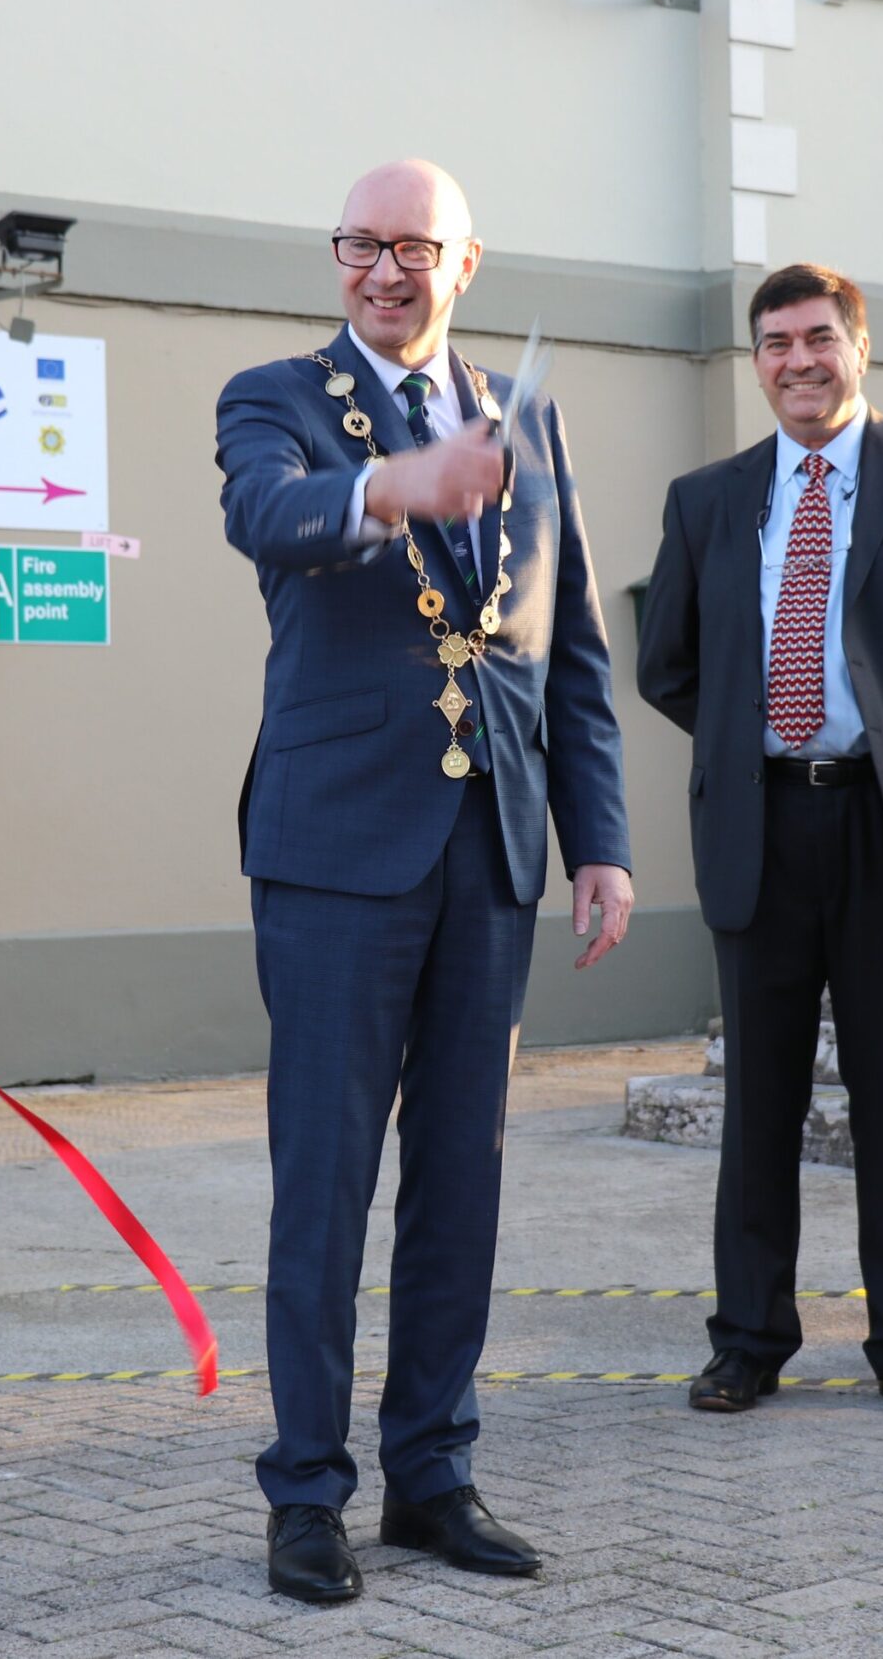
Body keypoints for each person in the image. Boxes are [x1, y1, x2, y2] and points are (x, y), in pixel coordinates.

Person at [215, 160, 635, 1604]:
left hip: (493, 847)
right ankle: (306, 1493)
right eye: (362, 244)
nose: (386, 270)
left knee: (463, 1175)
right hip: (337, 850)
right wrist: (399, 483)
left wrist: (603, 839)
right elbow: (270, 520)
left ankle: (433, 1473)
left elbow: (563, 644)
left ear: (468, 261)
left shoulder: (527, 419)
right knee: (324, 1185)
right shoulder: (272, 394)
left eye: (415, 247)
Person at [635, 262, 883, 1422]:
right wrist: (754, 724)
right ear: (755, 362)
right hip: (759, 822)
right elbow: (667, 664)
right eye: (775, 345)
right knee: (758, 1097)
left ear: (858, 347)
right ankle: (748, 1336)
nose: (797, 363)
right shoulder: (706, 499)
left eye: (818, 340)